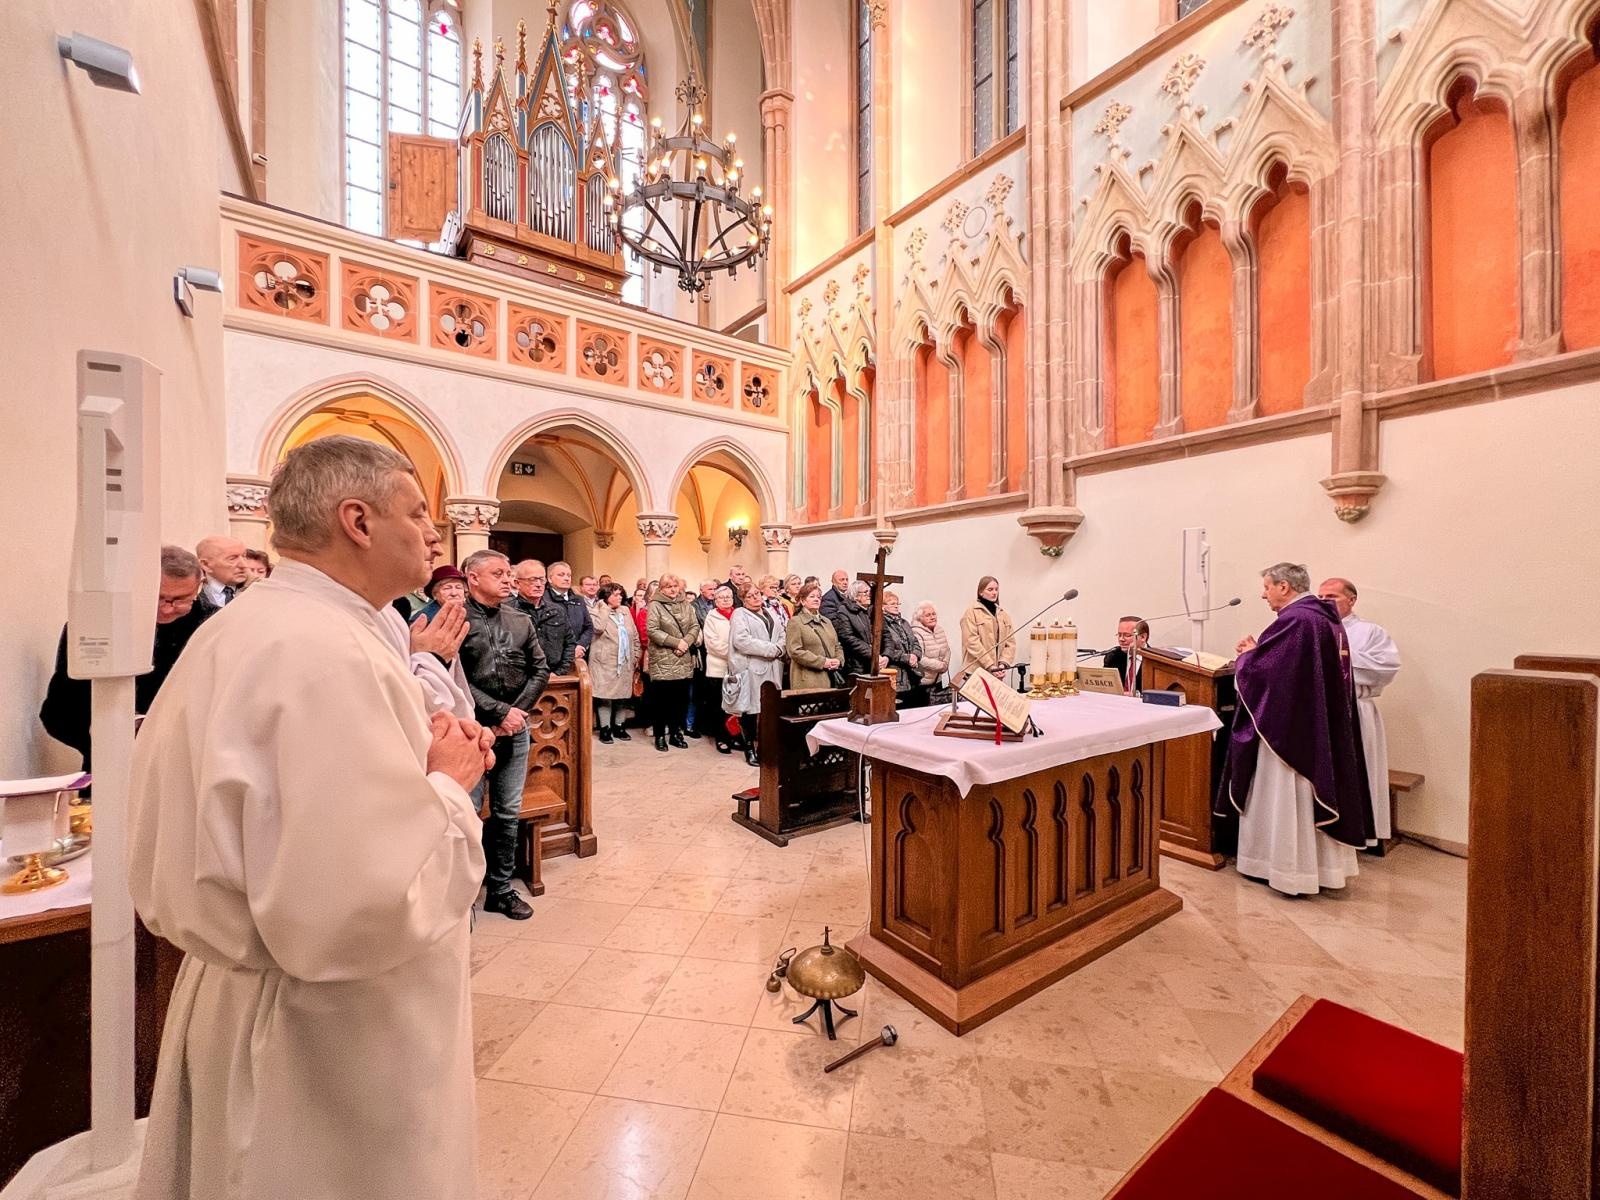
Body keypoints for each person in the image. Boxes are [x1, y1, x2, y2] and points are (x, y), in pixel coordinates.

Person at [128, 436, 493, 1200]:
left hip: (252, 996)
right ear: (357, 520)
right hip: (325, 1037)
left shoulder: (251, 628)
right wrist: (451, 787)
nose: (433, 531)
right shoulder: (326, 652)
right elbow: (357, 907)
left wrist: (412, 767)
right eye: (417, 510)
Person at [1217, 562, 1373, 896]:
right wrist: (1259, 653)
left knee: (1286, 795)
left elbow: (1270, 675)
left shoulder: (1297, 619)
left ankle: (1287, 868)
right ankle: (1318, 868)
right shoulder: (1321, 618)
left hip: (1290, 733)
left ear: (1284, 586)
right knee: (1304, 797)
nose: (1264, 594)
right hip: (1310, 724)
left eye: (1267, 587)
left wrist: (1247, 657)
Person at [40, 545, 214, 772]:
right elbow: (60, 708)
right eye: (158, 598)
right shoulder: (96, 624)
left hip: (187, 762)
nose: (167, 609)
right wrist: (109, 735)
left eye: (181, 600)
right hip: (112, 762)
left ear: (198, 589)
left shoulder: (211, 624)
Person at [459, 549, 550, 920]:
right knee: (465, 812)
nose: (508, 579)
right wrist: (498, 713)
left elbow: (540, 669)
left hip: (515, 729)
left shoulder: (520, 619)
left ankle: (500, 889)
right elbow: (454, 679)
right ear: (472, 578)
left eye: (509, 573)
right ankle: (461, 899)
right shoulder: (456, 618)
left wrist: (516, 714)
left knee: (507, 810)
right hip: (470, 730)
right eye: (498, 573)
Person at [1319, 577, 1401, 843]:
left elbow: (1384, 668)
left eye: (1331, 597)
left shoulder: (1370, 632)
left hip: (1357, 710)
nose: (1324, 603)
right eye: (1320, 598)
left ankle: (1361, 832)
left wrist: (1335, 657)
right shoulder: (1315, 630)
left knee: (1357, 773)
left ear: (1351, 600)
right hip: (1323, 712)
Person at [726, 582, 786, 767]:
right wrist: (771, 649)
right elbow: (741, 641)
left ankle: (766, 747)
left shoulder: (770, 612)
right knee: (751, 710)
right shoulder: (740, 615)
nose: (755, 598)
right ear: (743, 599)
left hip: (772, 667)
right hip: (752, 667)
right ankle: (749, 748)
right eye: (750, 595)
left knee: (768, 709)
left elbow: (782, 632)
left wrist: (780, 648)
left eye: (757, 594)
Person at [646, 573, 701, 752]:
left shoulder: (686, 604)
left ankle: (676, 733)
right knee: (662, 701)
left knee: (681, 700)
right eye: (668, 586)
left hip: (682, 657)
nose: (673, 590)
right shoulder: (655, 605)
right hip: (663, 657)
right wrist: (676, 642)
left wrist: (685, 643)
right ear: (661, 589)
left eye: (675, 586)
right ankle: (660, 735)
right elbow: (652, 630)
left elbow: (695, 626)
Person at [589, 582, 641, 744]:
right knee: (605, 696)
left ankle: (619, 726)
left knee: (622, 696)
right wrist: (604, 608)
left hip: (624, 660)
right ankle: (605, 729)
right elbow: (598, 628)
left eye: (621, 594)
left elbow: (634, 635)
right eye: (615, 595)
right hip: (604, 662)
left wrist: (636, 654)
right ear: (606, 596)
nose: (620, 597)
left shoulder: (625, 611)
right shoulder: (595, 610)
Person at [510, 558, 576, 674]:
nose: (538, 585)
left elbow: (569, 643)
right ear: (517, 583)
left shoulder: (557, 611)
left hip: (554, 676)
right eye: (532, 580)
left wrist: (560, 672)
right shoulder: (509, 611)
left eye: (541, 579)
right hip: (522, 678)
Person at [699, 584, 738, 753]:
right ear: (715, 600)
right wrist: (734, 654)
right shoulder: (711, 617)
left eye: (728, 597)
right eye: (721, 597)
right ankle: (721, 737)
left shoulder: (739, 614)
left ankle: (735, 736)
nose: (726, 600)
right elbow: (712, 643)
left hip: (737, 669)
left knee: (736, 705)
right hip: (718, 667)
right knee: (719, 705)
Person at [955, 575, 1016, 685]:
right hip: (977, 671)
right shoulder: (971, 612)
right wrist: (990, 665)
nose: (994, 593)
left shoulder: (1003, 614)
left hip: (997, 671)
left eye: (996, 589)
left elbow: (1010, 642)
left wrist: (1002, 665)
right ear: (981, 592)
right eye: (990, 589)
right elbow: (971, 642)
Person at [785, 582, 845, 690]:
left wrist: (838, 660)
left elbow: (837, 646)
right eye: (812, 596)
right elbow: (794, 651)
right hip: (808, 680)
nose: (816, 599)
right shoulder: (796, 622)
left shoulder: (826, 621)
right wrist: (823, 662)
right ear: (802, 601)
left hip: (831, 678)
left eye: (818, 597)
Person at [880, 591, 926, 707]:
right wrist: (906, 658)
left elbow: (915, 641)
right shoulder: (881, 624)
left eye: (897, 603)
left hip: (912, 675)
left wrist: (915, 655)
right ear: (882, 606)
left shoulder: (904, 622)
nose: (896, 606)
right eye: (892, 603)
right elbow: (885, 648)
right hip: (896, 674)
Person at [833, 579, 885, 679]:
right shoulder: (844, 611)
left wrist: (886, 656)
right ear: (856, 596)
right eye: (865, 592)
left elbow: (886, 634)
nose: (869, 595)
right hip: (856, 665)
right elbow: (848, 637)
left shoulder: (873, 610)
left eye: (869, 592)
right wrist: (873, 653)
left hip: (878, 662)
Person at [547, 560, 594, 663]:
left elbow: (589, 627)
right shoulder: (544, 600)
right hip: (552, 659)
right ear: (550, 579)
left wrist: (581, 645)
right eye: (561, 575)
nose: (566, 578)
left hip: (578, 656)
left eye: (569, 575)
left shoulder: (578, 600)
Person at [195, 534, 248, 608]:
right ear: (206, 565)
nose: (244, 565)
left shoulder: (257, 591)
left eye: (244, 556)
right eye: (232, 559)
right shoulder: (188, 595)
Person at [911, 601, 951, 696]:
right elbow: (920, 658)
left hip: (937, 679)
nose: (932, 617)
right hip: (922, 682)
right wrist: (941, 666)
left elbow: (947, 650)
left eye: (934, 614)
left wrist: (945, 663)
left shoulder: (939, 630)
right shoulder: (915, 632)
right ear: (920, 618)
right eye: (928, 615)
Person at [1103, 616, 1150, 693]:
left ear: (1143, 637)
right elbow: (1105, 687)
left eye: (1127, 635)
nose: (1121, 639)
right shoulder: (1113, 657)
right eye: (1119, 635)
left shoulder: (1156, 661)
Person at [758, 574, 791, 641]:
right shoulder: (760, 605)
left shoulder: (781, 605)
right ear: (762, 589)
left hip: (785, 637)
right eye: (771, 587)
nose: (774, 590)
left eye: (776, 588)